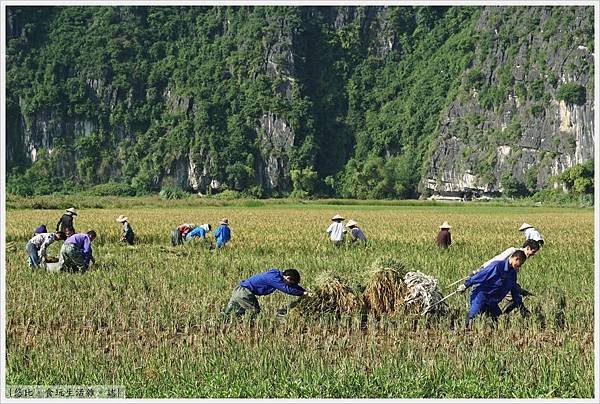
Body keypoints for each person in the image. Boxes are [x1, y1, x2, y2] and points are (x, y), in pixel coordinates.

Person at [457, 250, 529, 329]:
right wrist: (465, 285)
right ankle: (463, 330)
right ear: (516, 259)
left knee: (499, 322)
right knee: (472, 317)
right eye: (520, 263)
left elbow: (514, 290)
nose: (520, 266)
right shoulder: (497, 266)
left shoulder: (512, 274)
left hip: (493, 302)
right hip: (481, 297)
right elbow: (481, 275)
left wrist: (521, 307)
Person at [222, 268, 311, 319]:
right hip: (244, 293)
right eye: (291, 283)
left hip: (239, 290)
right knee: (254, 312)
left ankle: (222, 321)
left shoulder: (277, 275)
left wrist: (305, 291)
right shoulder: (274, 278)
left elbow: (291, 287)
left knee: (232, 311)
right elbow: (287, 289)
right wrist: (304, 293)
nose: (291, 285)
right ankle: (253, 330)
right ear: (288, 278)